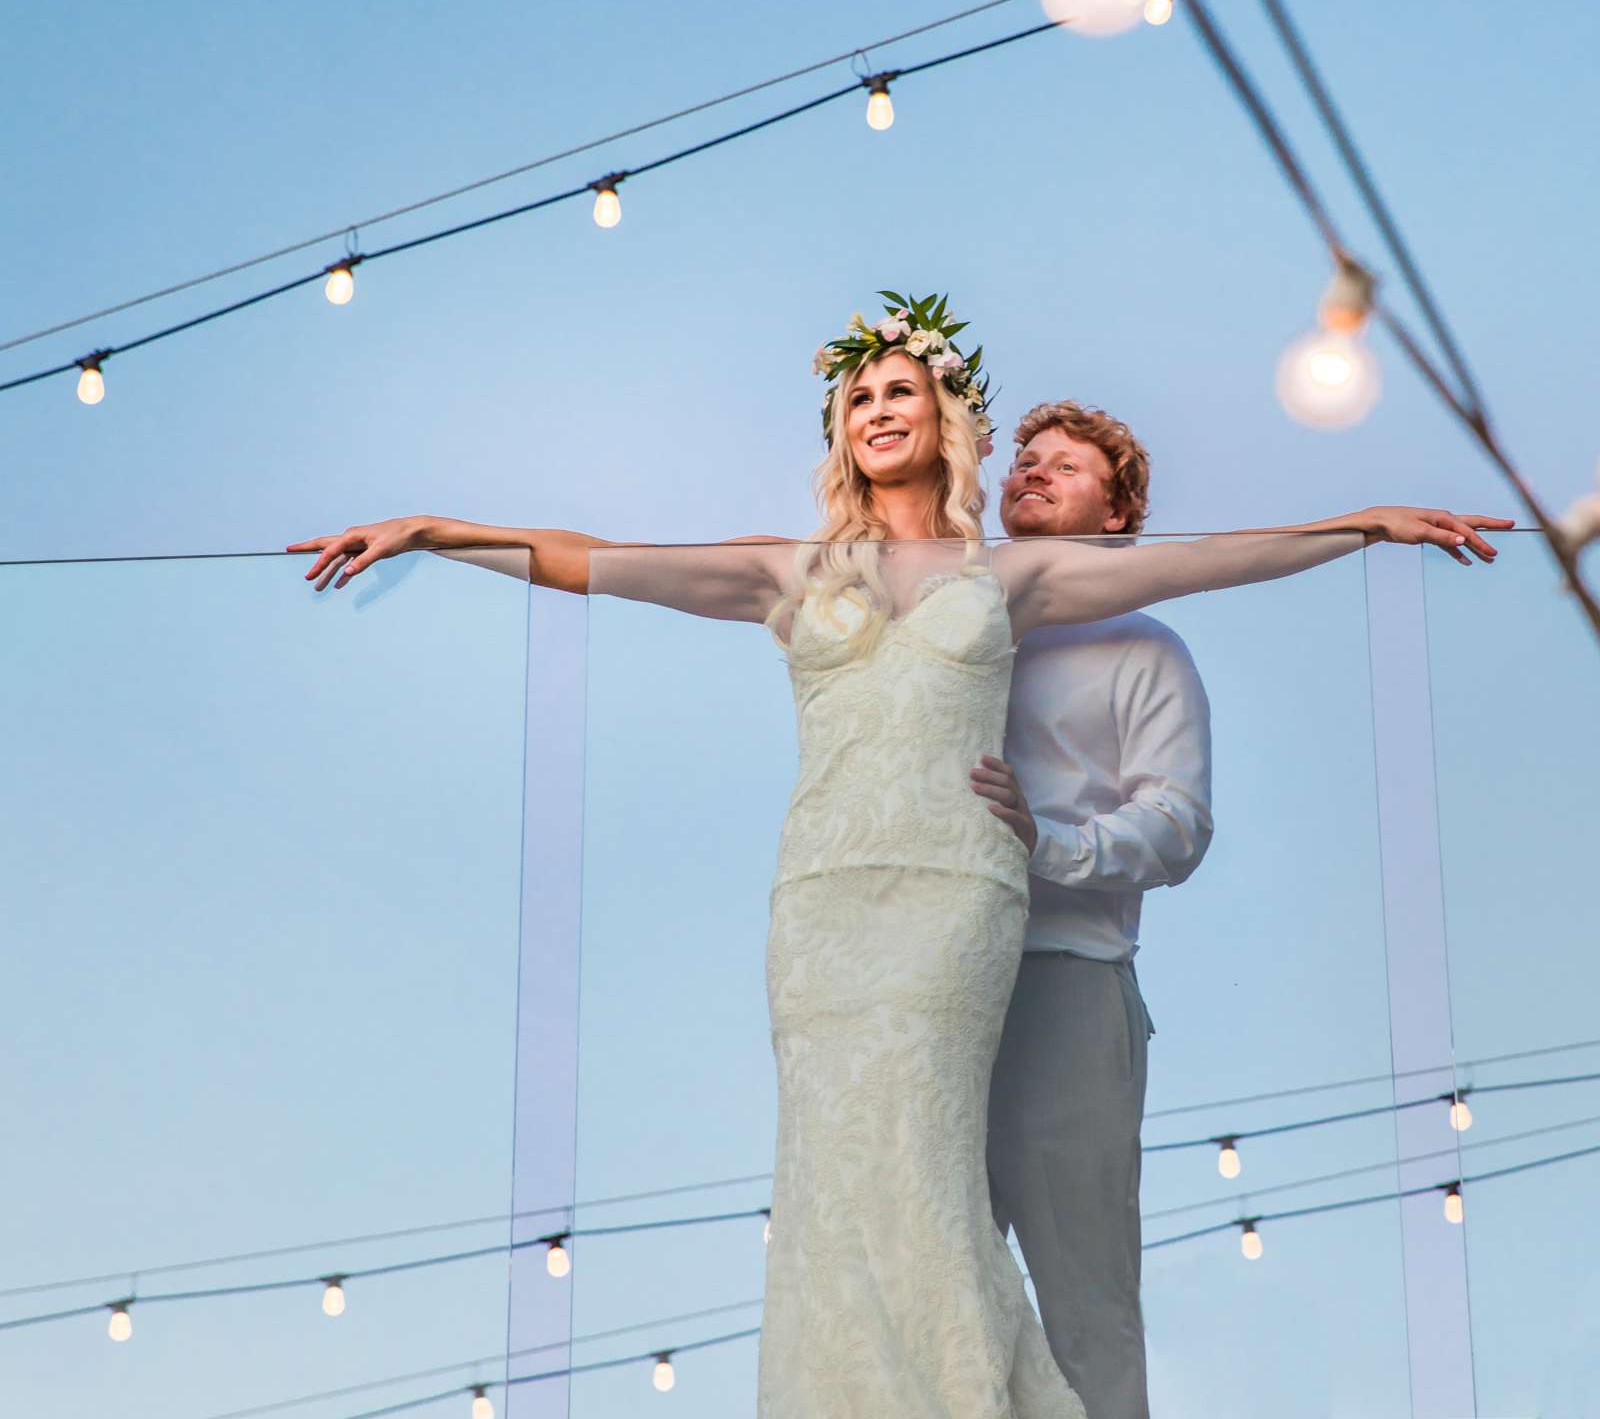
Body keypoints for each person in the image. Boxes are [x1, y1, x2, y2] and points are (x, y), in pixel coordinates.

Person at [290, 292, 1506, 1418]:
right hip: (820, 908)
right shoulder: (789, 568)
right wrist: (437, 531)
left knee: (923, 1175)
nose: (878, 412)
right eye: (857, 399)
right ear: (841, 431)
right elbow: (598, 563)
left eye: (901, 393)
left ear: (945, 421)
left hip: (955, 905)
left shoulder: (1011, 576)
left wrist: (1365, 527)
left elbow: (1211, 560)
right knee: (840, 1184)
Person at [976, 399, 1209, 1419]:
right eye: (1023, 460)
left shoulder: (1144, 649)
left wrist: (1050, 845)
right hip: (926, 985)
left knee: (1084, 1302)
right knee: (934, 1283)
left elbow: (1180, 821)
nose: (1029, 471)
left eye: (1063, 467)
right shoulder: (951, 620)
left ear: (1119, 519)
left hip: (1066, 983)